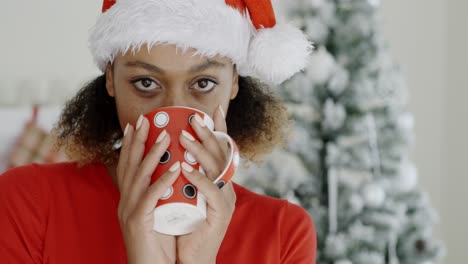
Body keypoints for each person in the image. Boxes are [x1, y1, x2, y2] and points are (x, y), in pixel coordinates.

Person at [0, 0, 317, 263]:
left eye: (203, 84)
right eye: (146, 83)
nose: (173, 108)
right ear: (110, 78)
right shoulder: (26, 204)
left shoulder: (283, 235)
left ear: (233, 82)